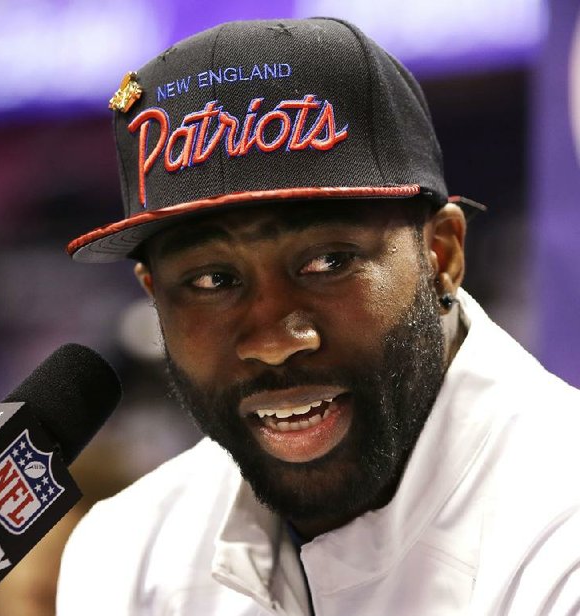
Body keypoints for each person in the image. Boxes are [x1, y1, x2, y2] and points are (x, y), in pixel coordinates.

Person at [57, 18, 580, 615]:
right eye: (211, 281)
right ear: (154, 294)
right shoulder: (126, 550)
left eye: (328, 262)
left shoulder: (563, 518)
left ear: (441, 254)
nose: (275, 340)